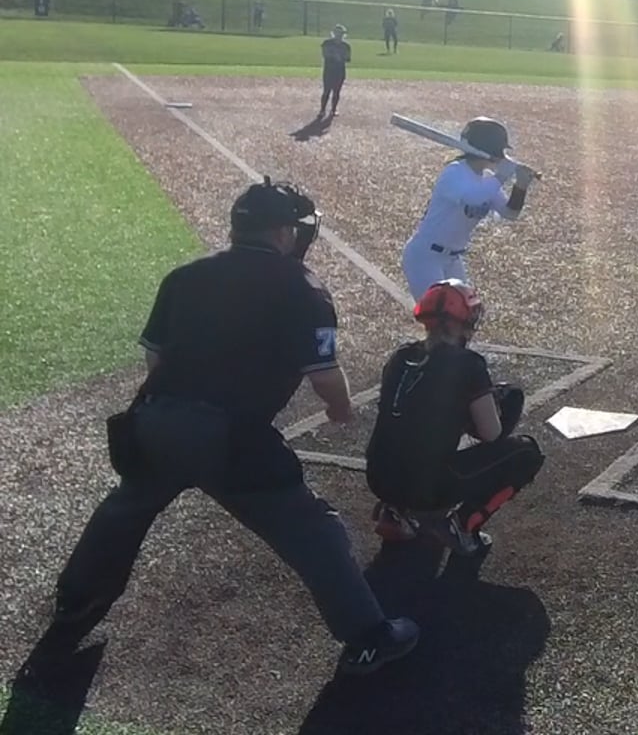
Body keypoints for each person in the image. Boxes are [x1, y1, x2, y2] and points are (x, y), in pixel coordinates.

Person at [41, 180, 419, 677]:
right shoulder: (301, 286)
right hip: (230, 438)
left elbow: (156, 358)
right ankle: (369, 638)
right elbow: (324, 376)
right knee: (313, 530)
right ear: (283, 232)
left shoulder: (186, 275)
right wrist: (340, 409)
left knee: (124, 510)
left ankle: (76, 601)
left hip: (154, 419)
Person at [366, 280, 545, 556]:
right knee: (526, 452)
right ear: (462, 321)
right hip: (426, 485)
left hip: (379, 476)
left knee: (414, 437)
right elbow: (491, 433)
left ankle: (397, 511)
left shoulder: (401, 356)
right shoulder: (468, 364)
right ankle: (462, 525)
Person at [400, 117, 536, 302]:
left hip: (452, 259)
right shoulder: (454, 172)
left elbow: (509, 213)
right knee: (439, 314)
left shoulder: (485, 179)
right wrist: (502, 176)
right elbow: (473, 197)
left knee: (463, 313)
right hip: (425, 257)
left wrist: (521, 186)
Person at [318, 25, 351, 118]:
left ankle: (333, 109)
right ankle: (322, 110)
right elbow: (325, 54)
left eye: (340, 34)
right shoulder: (327, 43)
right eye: (337, 33)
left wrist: (340, 57)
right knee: (326, 91)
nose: (338, 35)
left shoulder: (346, 46)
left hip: (340, 71)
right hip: (329, 71)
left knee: (336, 91)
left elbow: (348, 58)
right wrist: (335, 56)